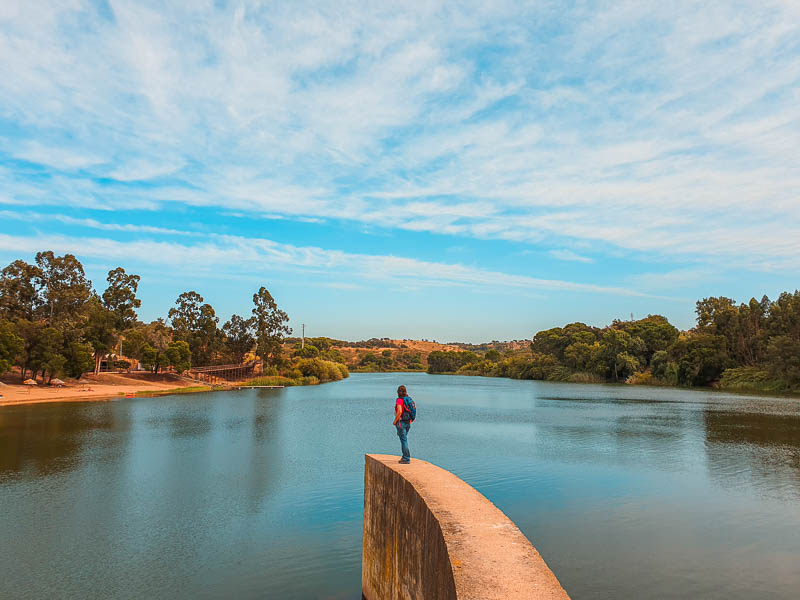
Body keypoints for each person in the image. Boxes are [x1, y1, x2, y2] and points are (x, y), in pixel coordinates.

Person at [393, 384, 413, 463]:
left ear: (398, 392)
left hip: (401, 423)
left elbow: (400, 411)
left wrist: (395, 421)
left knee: (404, 440)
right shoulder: (408, 399)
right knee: (404, 439)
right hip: (408, 422)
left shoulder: (399, 400)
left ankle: (406, 458)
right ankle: (405, 457)